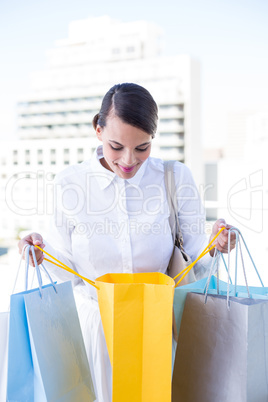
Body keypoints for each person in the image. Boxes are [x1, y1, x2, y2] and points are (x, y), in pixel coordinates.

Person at [18, 82, 236, 402]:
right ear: (98, 130)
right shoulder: (70, 183)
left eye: (142, 147)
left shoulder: (175, 178)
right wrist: (39, 251)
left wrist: (217, 244)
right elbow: (64, 267)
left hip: (158, 330)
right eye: (116, 146)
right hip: (95, 335)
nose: (129, 161)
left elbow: (197, 261)